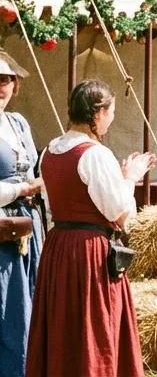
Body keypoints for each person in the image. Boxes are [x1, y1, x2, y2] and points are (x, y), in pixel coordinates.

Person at [27, 80, 152, 375]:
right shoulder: (95, 154)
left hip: (58, 249)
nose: (112, 119)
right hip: (89, 254)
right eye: (111, 112)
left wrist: (118, 178)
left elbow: (52, 206)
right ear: (98, 114)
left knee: (63, 328)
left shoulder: (49, 152)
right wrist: (130, 177)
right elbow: (120, 214)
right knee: (93, 328)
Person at [0, 52, 42, 375]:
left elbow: (32, 171)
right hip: (1, 228)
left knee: (29, 303)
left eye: (5, 79)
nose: (0, 87)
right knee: (6, 308)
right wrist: (21, 190)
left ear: (15, 85)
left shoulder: (19, 123)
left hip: (27, 228)